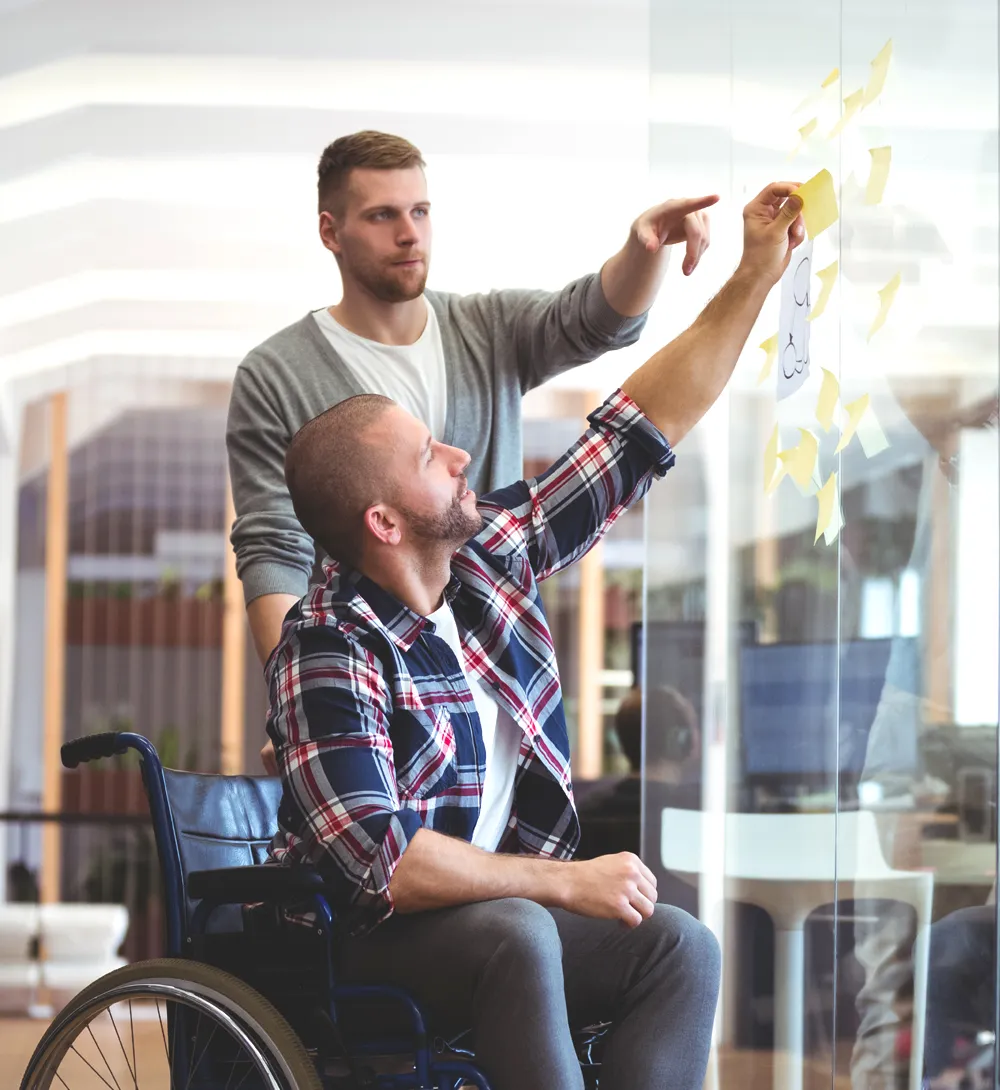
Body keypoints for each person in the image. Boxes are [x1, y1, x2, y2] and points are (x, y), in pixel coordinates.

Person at [264, 181, 806, 1090]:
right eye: (430, 459)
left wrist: (754, 274)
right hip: (357, 951)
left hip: (498, 925)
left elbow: (637, 432)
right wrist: (561, 881)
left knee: (678, 944)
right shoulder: (326, 645)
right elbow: (382, 864)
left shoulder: (486, 563)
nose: (461, 455)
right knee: (519, 930)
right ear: (385, 522)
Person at [226, 129, 715, 670]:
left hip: (501, 658)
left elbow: (593, 321)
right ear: (330, 231)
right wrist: (292, 697)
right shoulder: (276, 375)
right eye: (382, 216)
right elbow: (274, 549)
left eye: (420, 211)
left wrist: (646, 247)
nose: (410, 234)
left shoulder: (485, 330)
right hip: (373, 677)